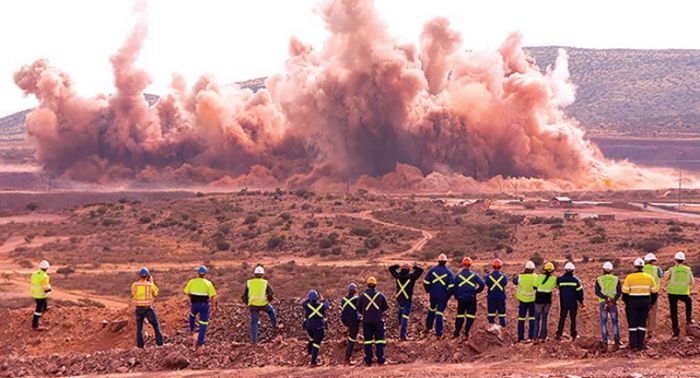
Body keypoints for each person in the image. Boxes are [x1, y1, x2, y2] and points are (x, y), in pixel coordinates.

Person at [622, 257, 658, 351]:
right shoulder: (649, 277)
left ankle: (633, 344)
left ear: (635, 266)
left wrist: (627, 303)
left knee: (632, 324)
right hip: (645, 302)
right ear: (643, 267)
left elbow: (625, 293)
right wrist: (651, 303)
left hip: (632, 302)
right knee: (642, 323)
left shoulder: (629, 277)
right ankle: (640, 344)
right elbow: (654, 292)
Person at [242, 265, 279, 343]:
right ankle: (275, 326)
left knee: (254, 322)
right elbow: (270, 294)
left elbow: (245, 295)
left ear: (254, 274)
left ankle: (254, 341)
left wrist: (247, 303)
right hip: (263, 303)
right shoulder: (265, 283)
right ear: (262, 274)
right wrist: (269, 300)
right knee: (271, 311)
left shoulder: (249, 282)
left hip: (253, 304)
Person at [357, 276, 389, 366]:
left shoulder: (362, 296)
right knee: (379, 340)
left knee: (368, 341)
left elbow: (358, 308)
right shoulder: (380, 295)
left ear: (367, 285)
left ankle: (368, 361)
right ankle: (380, 360)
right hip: (378, 321)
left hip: (367, 321)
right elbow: (385, 307)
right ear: (375, 285)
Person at [183, 265, 217, 347]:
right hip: (204, 305)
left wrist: (192, 298)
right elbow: (212, 296)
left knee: (192, 315)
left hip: (194, 304)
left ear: (198, 273)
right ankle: (200, 341)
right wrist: (213, 307)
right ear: (205, 274)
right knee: (203, 322)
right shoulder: (208, 283)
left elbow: (187, 292)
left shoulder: (192, 282)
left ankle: (191, 329)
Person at [388, 262, 424, 340]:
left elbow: (390, 268)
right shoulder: (411, 277)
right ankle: (402, 335)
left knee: (401, 308)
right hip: (407, 298)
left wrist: (398, 265)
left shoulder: (397, 276)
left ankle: (399, 321)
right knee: (405, 316)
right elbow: (421, 270)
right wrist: (413, 266)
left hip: (399, 297)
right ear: (409, 270)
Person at [423, 253, 455, 338]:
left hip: (433, 295)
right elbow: (452, 286)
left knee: (431, 310)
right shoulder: (449, 272)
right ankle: (438, 333)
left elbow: (425, 282)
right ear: (446, 261)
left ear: (438, 261)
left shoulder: (432, 270)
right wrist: (447, 295)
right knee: (439, 313)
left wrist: (428, 290)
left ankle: (428, 327)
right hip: (443, 296)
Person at [131, 267, 164, 348]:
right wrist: (151, 282)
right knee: (156, 325)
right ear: (148, 275)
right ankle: (160, 344)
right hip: (147, 308)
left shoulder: (135, 285)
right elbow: (156, 293)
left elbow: (133, 293)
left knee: (139, 328)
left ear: (139, 275)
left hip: (138, 308)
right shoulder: (150, 285)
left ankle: (140, 346)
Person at [453, 257, 485, 339]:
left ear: (463, 264)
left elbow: (454, 288)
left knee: (460, 315)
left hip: (461, 299)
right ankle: (467, 332)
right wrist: (476, 292)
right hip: (471, 298)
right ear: (470, 265)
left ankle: (457, 332)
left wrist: (457, 296)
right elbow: (482, 284)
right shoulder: (474, 275)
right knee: (470, 315)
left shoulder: (458, 276)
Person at [665, 251, 694, 337]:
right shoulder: (687, 270)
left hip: (672, 293)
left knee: (673, 311)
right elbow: (692, 282)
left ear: (675, 260)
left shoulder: (672, 270)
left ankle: (675, 331)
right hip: (683, 292)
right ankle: (688, 318)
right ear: (683, 260)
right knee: (689, 301)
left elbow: (665, 278)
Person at [595, 261, 622, 350]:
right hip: (612, 303)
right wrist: (612, 300)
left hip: (603, 303)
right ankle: (617, 341)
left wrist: (605, 299)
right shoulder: (616, 279)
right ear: (611, 270)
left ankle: (605, 341)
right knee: (615, 322)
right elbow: (619, 292)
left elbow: (597, 292)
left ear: (603, 269)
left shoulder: (599, 279)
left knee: (604, 322)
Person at [555, 262, 584, 341]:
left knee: (562, 318)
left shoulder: (560, 279)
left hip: (563, 302)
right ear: (573, 270)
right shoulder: (576, 280)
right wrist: (581, 302)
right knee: (573, 319)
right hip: (573, 303)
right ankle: (573, 335)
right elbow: (580, 293)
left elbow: (557, 287)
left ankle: (559, 334)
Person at [303, 290, 330, 366]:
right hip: (318, 327)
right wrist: (323, 299)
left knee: (311, 340)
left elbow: (304, 303)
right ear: (317, 298)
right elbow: (327, 304)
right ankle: (313, 361)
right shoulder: (321, 306)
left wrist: (309, 298)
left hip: (309, 326)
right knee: (316, 343)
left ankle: (310, 354)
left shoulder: (307, 306)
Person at [513, 261, 537, 342]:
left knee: (521, 319)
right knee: (532, 319)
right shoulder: (535, 277)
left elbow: (514, 281)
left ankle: (521, 338)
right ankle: (531, 337)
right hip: (532, 301)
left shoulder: (520, 277)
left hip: (522, 301)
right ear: (533, 269)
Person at [533, 261, 557, 342]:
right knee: (544, 319)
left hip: (538, 300)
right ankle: (543, 338)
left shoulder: (539, 277)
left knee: (536, 319)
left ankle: (535, 338)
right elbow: (556, 286)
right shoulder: (554, 279)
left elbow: (534, 287)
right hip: (547, 300)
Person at [642, 253, 663, 339]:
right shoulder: (657, 269)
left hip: (643, 293)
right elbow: (661, 276)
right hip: (653, 294)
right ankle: (650, 331)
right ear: (653, 261)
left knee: (643, 312)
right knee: (652, 313)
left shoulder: (642, 269)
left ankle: (642, 329)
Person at [341, 283, 360, 364]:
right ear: (355, 291)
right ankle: (347, 358)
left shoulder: (343, 299)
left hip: (345, 320)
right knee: (352, 338)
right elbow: (359, 309)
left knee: (351, 331)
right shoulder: (357, 299)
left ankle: (347, 332)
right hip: (353, 321)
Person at [485, 259, 508, 327]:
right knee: (502, 314)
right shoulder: (503, 276)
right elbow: (505, 283)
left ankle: (492, 328)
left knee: (491, 314)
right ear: (501, 266)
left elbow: (487, 284)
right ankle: (503, 328)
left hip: (491, 297)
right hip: (501, 297)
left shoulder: (488, 276)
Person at [30, 260, 52, 330]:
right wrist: (49, 289)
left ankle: (45, 309)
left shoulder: (35, 274)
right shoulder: (45, 276)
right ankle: (35, 325)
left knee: (44, 301)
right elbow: (46, 287)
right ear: (47, 268)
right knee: (38, 309)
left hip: (35, 293)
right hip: (41, 294)